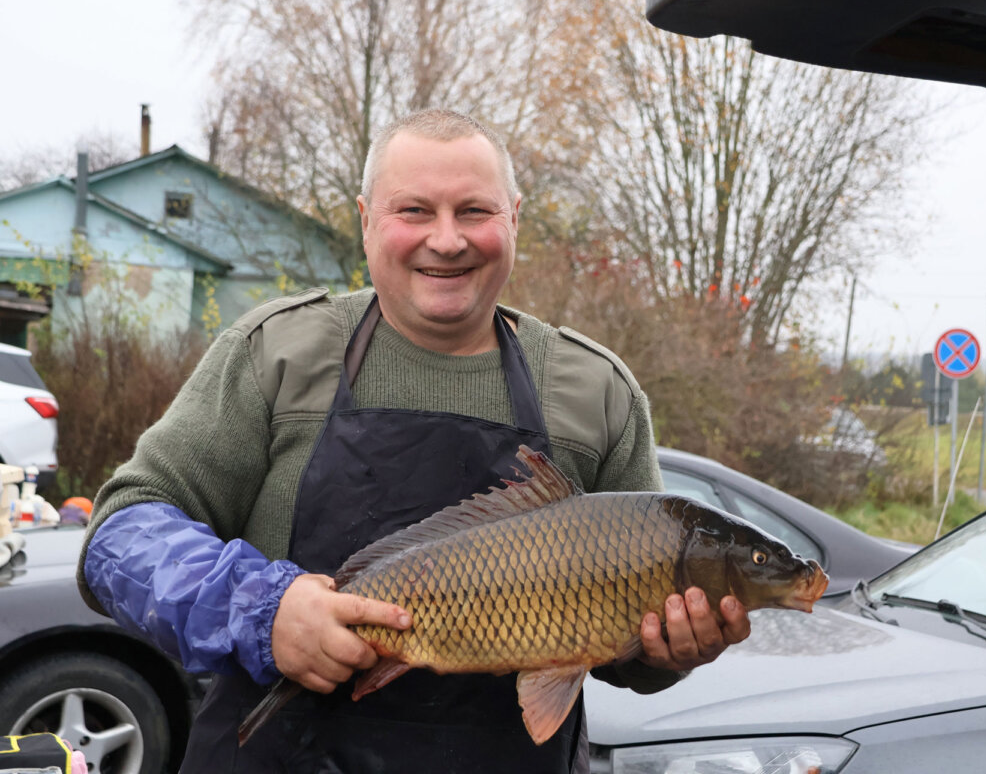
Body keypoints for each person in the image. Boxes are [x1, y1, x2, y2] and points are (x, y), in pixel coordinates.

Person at [76, 109, 751, 773]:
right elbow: (119, 537)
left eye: (475, 212)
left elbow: (629, 649)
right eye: (415, 211)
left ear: (514, 218)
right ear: (367, 220)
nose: (447, 240)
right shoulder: (276, 354)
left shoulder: (595, 391)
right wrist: (261, 612)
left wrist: (667, 655)